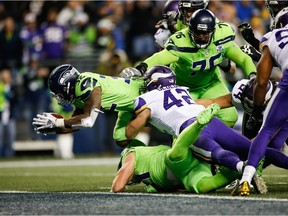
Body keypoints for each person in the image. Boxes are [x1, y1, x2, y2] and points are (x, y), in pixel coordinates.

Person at [124, 66, 288, 194]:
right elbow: (197, 104)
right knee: (255, 150)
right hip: (211, 121)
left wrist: (129, 122)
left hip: (192, 130)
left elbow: (130, 132)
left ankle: (243, 170)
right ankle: (248, 167)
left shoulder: (144, 99)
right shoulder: (181, 90)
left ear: (153, 82)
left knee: (217, 153)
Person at [121, 9, 256, 128]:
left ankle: (210, 144)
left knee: (230, 117)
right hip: (184, 88)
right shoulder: (181, 42)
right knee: (182, 121)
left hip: (211, 83)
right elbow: (161, 57)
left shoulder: (222, 36)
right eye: (198, 33)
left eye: (205, 33)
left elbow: (243, 58)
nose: (202, 37)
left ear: (213, 31)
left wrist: (253, 76)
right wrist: (141, 68)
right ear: (190, 30)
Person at [112, 102, 240, 193]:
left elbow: (117, 186)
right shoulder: (148, 180)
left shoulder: (130, 154)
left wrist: (122, 181)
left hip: (179, 160)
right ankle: (238, 170)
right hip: (187, 174)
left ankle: (198, 124)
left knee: (174, 155)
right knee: (200, 187)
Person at [233, 6, 288, 196]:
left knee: (267, 130)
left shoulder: (273, 36)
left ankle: (245, 179)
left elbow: (262, 79)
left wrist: (256, 112)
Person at [32, 64, 146, 148]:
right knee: (121, 139)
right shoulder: (77, 95)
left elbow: (88, 121)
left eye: (59, 93)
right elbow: (76, 124)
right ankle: (145, 155)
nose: (59, 97)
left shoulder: (85, 83)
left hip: (142, 94)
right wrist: (53, 129)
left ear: (67, 84)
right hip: (128, 107)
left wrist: (57, 122)